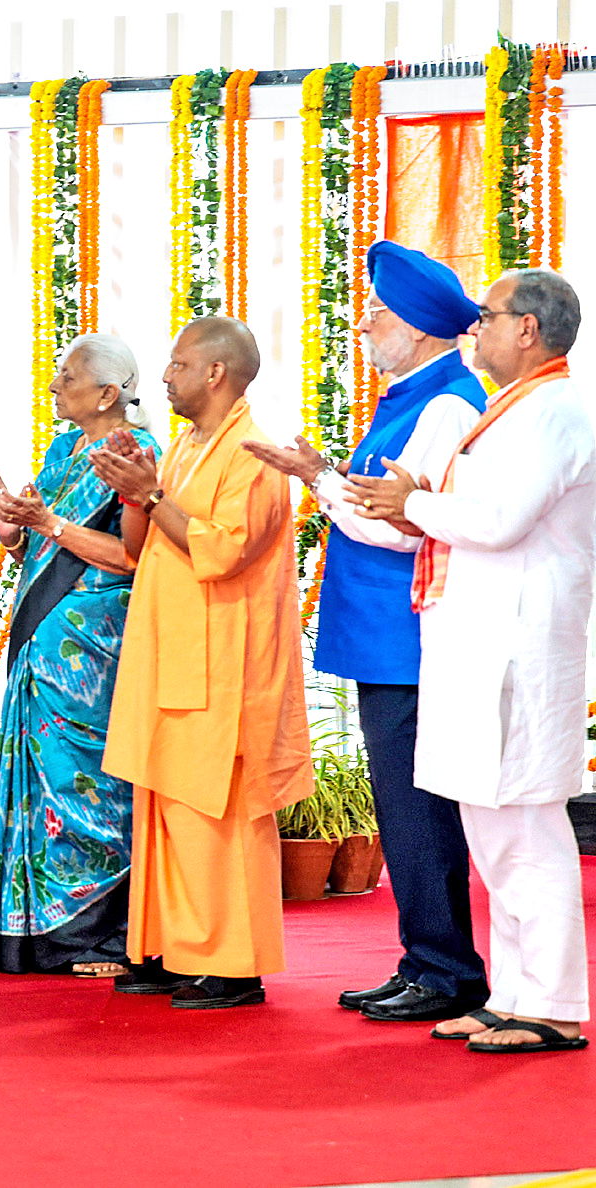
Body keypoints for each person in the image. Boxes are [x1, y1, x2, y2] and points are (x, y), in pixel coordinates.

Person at [243, 241, 490, 1024]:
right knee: (403, 802)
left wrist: (315, 474)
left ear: (417, 326)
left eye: (376, 313)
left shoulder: (447, 402)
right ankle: (425, 960)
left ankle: (445, 970)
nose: (363, 325)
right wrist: (320, 474)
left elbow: (396, 523)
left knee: (416, 808)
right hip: (388, 632)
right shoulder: (418, 394)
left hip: (409, 633)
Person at [348, 268, 590, 1053]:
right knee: (493, 833)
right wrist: (412, 500)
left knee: (526, 830)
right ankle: (516, 996)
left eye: (487, 317)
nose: (473, 328)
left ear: (528, 330)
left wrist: (407, 503)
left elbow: (497, 519)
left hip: (519, 648)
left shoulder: (555, 411)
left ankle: (553, 1007)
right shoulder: (511, 412)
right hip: (479, 642)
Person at [89, 316, 312, 1010]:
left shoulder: (255, 458)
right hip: (171, 651)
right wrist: (136, 490)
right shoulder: (186, 446)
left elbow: (222, 551)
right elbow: (140, 546)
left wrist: (154, 496)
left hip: (224, 663)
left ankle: (234, 964)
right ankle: (173, 947)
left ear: (216, 373)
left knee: (218, 813)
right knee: (166, 806)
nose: (163, 377)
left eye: (177, 365)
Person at [0, 335, 158, 976]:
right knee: (38, 776)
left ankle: (103, 933)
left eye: (67, 377)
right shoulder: (63, 450)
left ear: (108, 393)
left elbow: (134, 558)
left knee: (87, 777)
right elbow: (43, 550)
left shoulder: (137, 454)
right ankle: (30, 934)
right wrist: (13, 534)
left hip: (91, 648)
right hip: (39, 635)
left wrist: (46, 526)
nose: (55, 387)